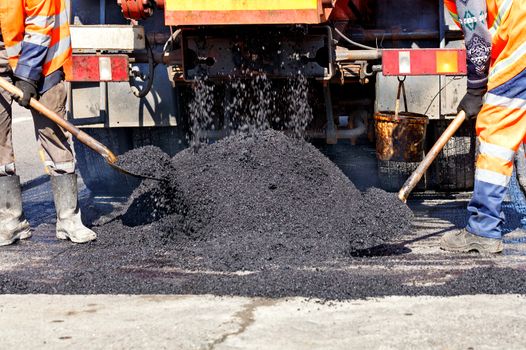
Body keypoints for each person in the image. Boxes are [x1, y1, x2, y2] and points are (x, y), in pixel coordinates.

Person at [0, 0, 96, 245]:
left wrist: (27, 76)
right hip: (3, 52)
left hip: (42, 55)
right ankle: (10, 221)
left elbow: (41, 22)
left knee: (52, 133)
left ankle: (68, 219)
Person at [440, 0, 526, 253]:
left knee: (496, 134)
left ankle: (483, 229)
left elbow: (477, 36)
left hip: (520, 46)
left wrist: (476, 89)